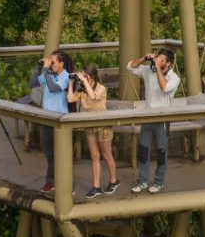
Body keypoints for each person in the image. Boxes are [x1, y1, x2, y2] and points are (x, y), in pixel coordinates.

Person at [127, 49, 180, 194]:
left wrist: (157, 69)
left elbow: (164, 88)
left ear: (168, 63)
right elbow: (130, 66)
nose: (157, 61)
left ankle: (158, 182)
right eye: (157, 58)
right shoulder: (148, 71)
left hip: (163, 120)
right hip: (147, 118)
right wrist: (143, 58)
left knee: (161, 153)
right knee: (143, 151)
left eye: (162, 60)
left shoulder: (174, 78)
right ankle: (142, 181)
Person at [67, 66, 120, 198]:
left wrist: (84, 81)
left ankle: (114, 180)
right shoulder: (82, 90)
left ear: (92, 76)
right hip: (90, 125)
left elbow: (93, 97)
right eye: (82, 75)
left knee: (106, 155)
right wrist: (71, 82)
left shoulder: (100, 88)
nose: (83, 78)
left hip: (103, 126)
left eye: (86, 75)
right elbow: (70, 99)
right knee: (95, 157)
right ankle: (96, 187)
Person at [28, 50, 70, 192]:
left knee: (62, 154)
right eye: (49, 61)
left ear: (61, 63)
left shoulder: (66, 77)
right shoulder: (48, 74)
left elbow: (53, 88)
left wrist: (46, 70)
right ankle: (51, 181)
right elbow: (32, 83)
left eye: (53, 62)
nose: (50, 64)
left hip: (61, 121)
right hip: (47, 119)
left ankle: (67, 183)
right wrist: (39, 68)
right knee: (49, 153)